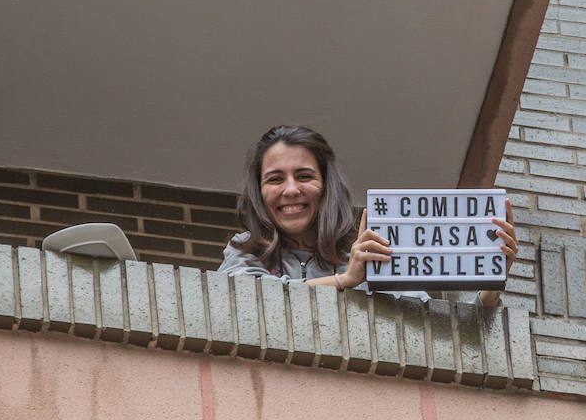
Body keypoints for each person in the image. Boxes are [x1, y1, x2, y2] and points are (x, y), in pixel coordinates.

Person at [218, 125, 517, 307]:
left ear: (326, 187)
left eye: (304, 175)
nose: (291, 190)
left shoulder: (371, 253)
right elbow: (244, 300)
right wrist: (346, 280)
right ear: (259, 192)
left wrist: (491, 288)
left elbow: (432, 328)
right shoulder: (245, 251)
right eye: (275, 179)